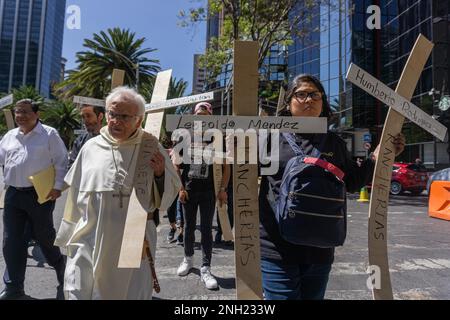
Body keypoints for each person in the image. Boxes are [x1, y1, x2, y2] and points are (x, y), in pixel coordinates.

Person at [258, 74, 406, 300]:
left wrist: (381, 154)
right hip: (277, 249)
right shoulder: (268, 138)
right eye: (301, 94)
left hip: (321, 250)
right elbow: (242, 178)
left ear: (323, 103)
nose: (308, 100)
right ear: (288, 103)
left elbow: (353, 182)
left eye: (315, 95)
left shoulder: (334, 143)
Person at [54, 87, 181, 300]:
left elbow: (170, 191)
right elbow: (75, 194)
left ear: (138, 121)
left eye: (124, 116)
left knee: (126, 292)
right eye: (112, 114)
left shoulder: (151, 147)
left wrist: (159, 174)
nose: (115, 121)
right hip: (88, 234)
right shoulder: (91, 147)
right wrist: (68, 232)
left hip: (132, 234)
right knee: (79, 288)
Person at [0, 99, 68, 300]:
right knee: (11, 241)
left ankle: (61, 267)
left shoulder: (49, 134)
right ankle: (13, 287)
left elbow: (61, 161)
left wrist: (57, 187)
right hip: (13, 194)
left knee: (44, 238)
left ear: (36, 114)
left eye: (24, 112)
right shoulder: (9, 136)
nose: (20, 115)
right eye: (17, 112)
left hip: (40, 194)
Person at [173, 102, 230, 290]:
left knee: (206, 229)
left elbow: (226, 167)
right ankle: (188, 259)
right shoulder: (185, 138)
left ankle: (206, 268)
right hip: (189, 190)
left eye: (205, 115)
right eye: (198, 114)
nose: (202, 118)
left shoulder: (217, 138)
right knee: (188, 227)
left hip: (208, 191)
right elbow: (176, 166)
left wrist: (222, 188)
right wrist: (180, 188)